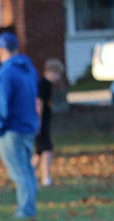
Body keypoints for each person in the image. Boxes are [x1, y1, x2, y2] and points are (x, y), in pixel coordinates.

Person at [0, 32, 40, 219]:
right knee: (27, 170)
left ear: (1, 49)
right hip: (28, 127)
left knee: (19, 172)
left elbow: (1, 105)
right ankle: (28, 208)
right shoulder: (28, 69)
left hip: (11, 130)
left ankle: (25, 211)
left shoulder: (5, 73)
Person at [32, 58, 65, 187]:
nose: (58, 77)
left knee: (39, 152)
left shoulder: (47, 85)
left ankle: (30, 175)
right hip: (40, 123)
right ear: (50, 72)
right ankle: (46, 179)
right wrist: (38, 122)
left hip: (43, 122)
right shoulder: (44, 84)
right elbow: (39, 103)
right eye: (58, 74)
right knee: (47, 150)